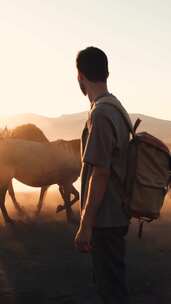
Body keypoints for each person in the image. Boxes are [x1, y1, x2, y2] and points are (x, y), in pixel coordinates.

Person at [74, 46, 130, 304]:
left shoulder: (101, 114)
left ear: (80, 77)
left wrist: (85, 225)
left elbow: (101, 173)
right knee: (113, 283)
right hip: (116, 213)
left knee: (110, 289)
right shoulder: (116, 106)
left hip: (105, 219)